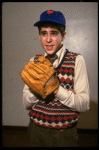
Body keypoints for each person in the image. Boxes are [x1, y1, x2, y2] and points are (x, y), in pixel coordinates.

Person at [22, 10, 90, 147]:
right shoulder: (34, 61)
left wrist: (56, 89)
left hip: (64, 135)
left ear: (63, 36)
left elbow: (84, 104)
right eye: (43, 33)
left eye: (53, 33)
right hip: (35, 130)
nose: (48, 39)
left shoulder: (76, 60)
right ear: (40, 36)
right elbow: (26, 104)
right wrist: (38, 88)